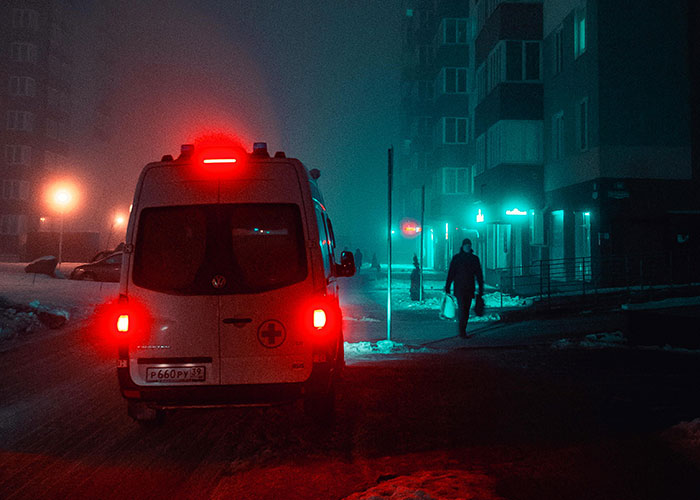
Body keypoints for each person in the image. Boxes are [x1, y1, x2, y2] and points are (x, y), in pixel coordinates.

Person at [445, 238, 484, 338]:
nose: (468, 247)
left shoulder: (471, 258)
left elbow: (479, 274)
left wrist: (480, 287)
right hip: (460, 288)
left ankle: (463, 329)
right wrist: (448, 286)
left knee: (465, 309)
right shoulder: (460, 258)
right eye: (466, 245)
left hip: (468, 288)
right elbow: (451, 273)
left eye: (469, 245)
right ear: (463, 246)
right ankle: (462, 330)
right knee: (463, 308)